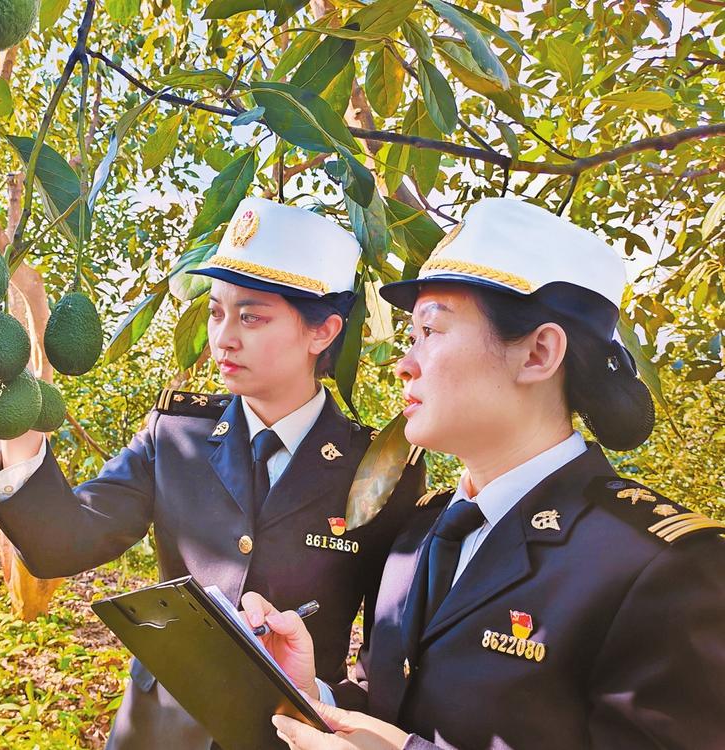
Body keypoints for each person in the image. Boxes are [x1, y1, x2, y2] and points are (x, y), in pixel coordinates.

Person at [241, 197, 725, 750]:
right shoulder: (420, 533)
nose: (404, 364)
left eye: (432, 330)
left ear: (538, 353)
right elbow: (390, 709)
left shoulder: (664, 566)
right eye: (411, 336)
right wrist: (312, 694)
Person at [0, 197, 427, 750]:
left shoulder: (379, 470)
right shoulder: (176, 434)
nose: (223, 337)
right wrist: (17, 428)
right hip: (156, 731)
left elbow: (384, 661)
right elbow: (62, 543)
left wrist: (320, 705)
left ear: (322, 331)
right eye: (217, 312)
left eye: (251, 316)